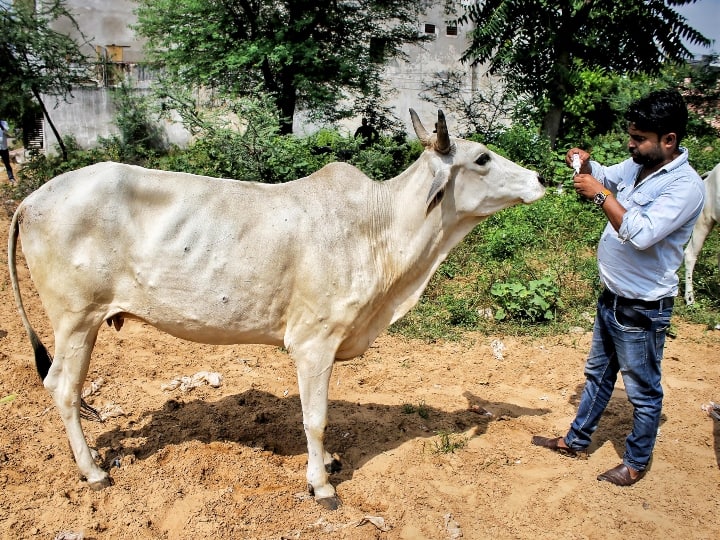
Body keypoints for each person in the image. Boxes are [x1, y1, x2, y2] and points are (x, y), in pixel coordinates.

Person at [531, 89, 705, 486]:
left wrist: (601, 195)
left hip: (642, 307)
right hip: (612, 298)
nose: (631, 144)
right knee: (598, 374)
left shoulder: (685, 187)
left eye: (639, 138)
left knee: (643, 391)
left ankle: (636, 462)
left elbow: (641, 234)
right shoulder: (638, 165)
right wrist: (587, 164)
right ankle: (576, 441)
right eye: (631, 136)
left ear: (669, 140)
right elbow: (607, 175)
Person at [0, 119, 15, 183]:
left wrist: (1, 125)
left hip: (4, 147)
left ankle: (11, 177)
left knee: (7, 163)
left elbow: (6, 132)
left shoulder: (3, 123)